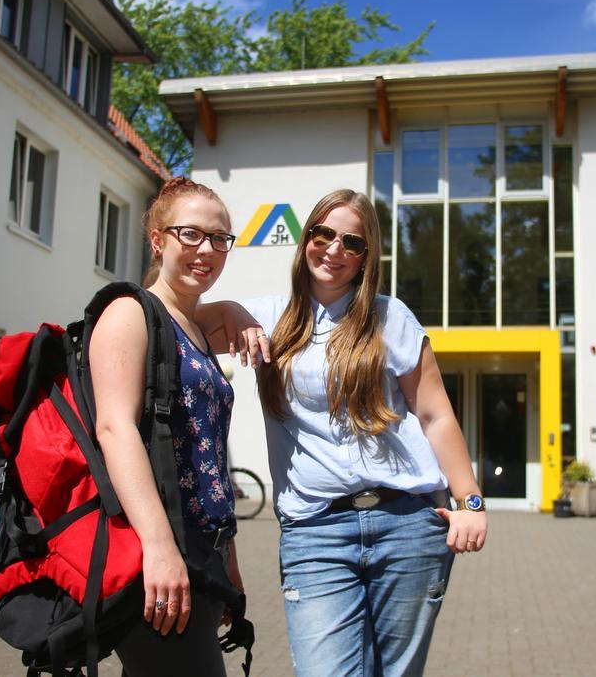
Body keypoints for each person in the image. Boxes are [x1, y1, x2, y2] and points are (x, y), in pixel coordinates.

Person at [198, 188, 488, 677]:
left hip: (409, 526)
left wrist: (471, 503)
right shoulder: (265, 319)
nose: (334, 249)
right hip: (315, 531)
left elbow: (435, 414)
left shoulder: (390, 318)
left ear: (365, 257)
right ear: (306, 238)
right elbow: (169, 322)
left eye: (351, 242)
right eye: (323, 234)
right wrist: (224, 307)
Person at [89, 176, 244, 676]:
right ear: (158, 240)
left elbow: (209, 456)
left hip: (202, 556)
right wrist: (158, 550)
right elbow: (114, 429)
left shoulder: (194, 328)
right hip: (158, 559)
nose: (207, 249)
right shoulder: (129, 313)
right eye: (191, 234)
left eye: (219, 238)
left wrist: (230, 564)